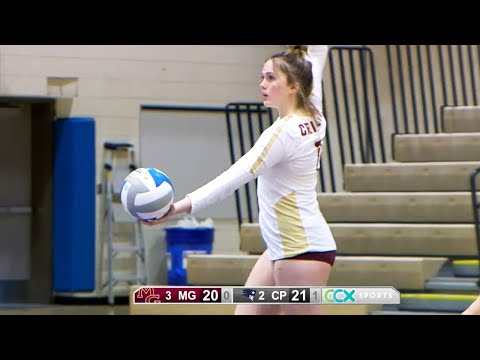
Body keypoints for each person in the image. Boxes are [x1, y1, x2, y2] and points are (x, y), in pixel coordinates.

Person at [143, 45, 336, 315]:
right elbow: (316, 57)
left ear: (293, 86)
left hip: (300, 250)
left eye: (271, 78)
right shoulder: (315, 113)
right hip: (286, 246)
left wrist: (178, 207)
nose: (263, 84)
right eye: (262, 77)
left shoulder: (283, 132)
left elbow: (233, 178)